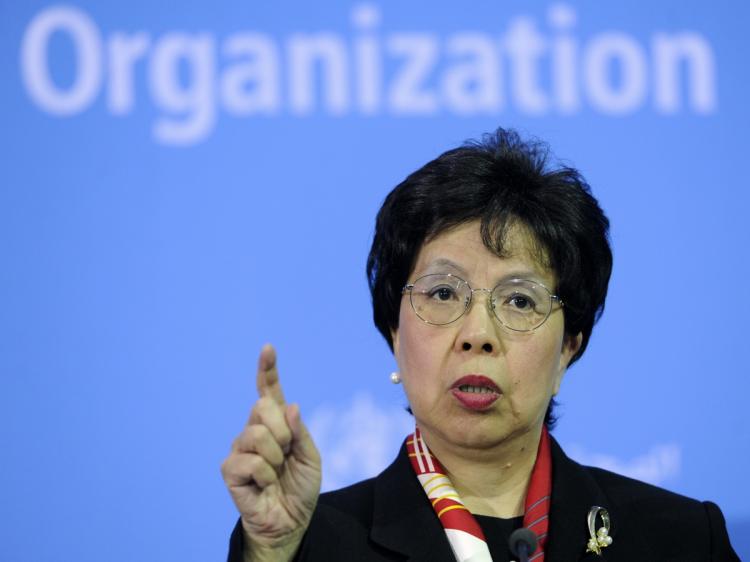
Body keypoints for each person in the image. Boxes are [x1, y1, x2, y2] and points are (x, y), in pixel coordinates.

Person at [221, 128, 739, 561]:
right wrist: (272, 552)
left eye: (519, 301)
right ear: (395, 335)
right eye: (443, 293)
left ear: (568, 350)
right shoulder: (310, 544)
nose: (477, 335)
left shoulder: (684, 539)